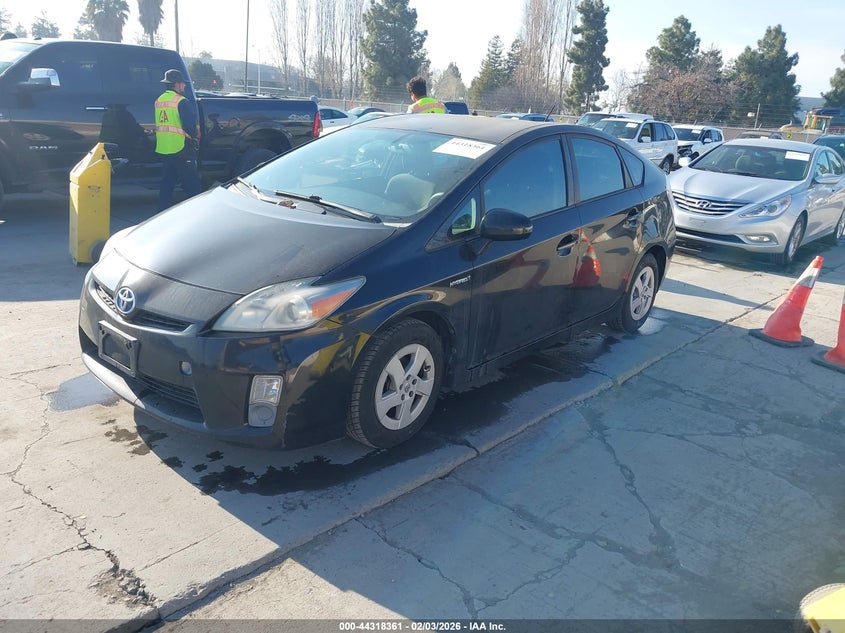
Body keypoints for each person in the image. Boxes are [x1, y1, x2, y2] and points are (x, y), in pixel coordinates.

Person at [155, 68, 202, 211]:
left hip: (165, 148)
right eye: (183, 83)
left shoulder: (159, 100)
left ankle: (161, 212)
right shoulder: (181, 101)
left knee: (167, 184)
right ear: (176, 84)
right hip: (181, 148)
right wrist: (196, 134)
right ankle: (199, 212)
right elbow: (190, 128)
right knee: (191, 183)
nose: (185, 86)